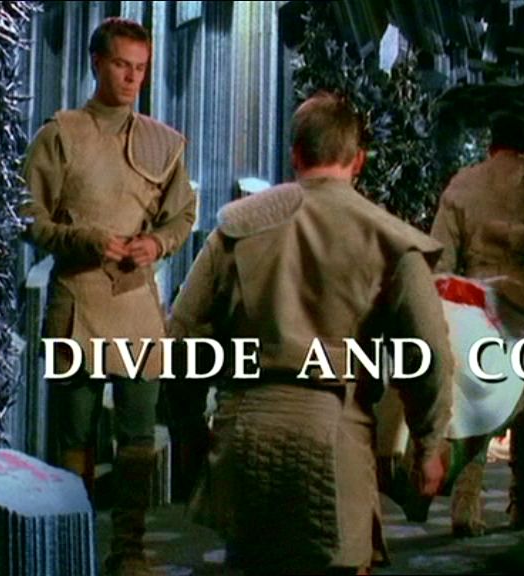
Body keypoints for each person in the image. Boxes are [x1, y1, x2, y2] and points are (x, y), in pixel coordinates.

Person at [168, 92, 452, 574]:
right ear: (358, 160)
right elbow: (428, 352)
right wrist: (429, 443)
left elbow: (183, 335)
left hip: (245, 425)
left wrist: (189, 428)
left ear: (295, 154)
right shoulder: (390, 239)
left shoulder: (236, 228)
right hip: (335, 431)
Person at [20, 17, 197, 576]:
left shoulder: (163, 142)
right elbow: (29, 217)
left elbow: (182, 215)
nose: (132, 78)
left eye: (141, 68)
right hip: (77, 299)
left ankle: (130, 549)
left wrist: (157, 243)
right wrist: (85, 239)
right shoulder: (61, 134)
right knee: (74, 435)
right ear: (97, 63)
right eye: (122, 65)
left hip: (136, 304)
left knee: (138, 436)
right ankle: (73, 551)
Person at [429, 112, 524, 535]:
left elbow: (440, 258)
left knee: (476, 407)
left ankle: (465, 507)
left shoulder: (463, 184)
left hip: (477, 308)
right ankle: (521, 502)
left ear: (491, 146)